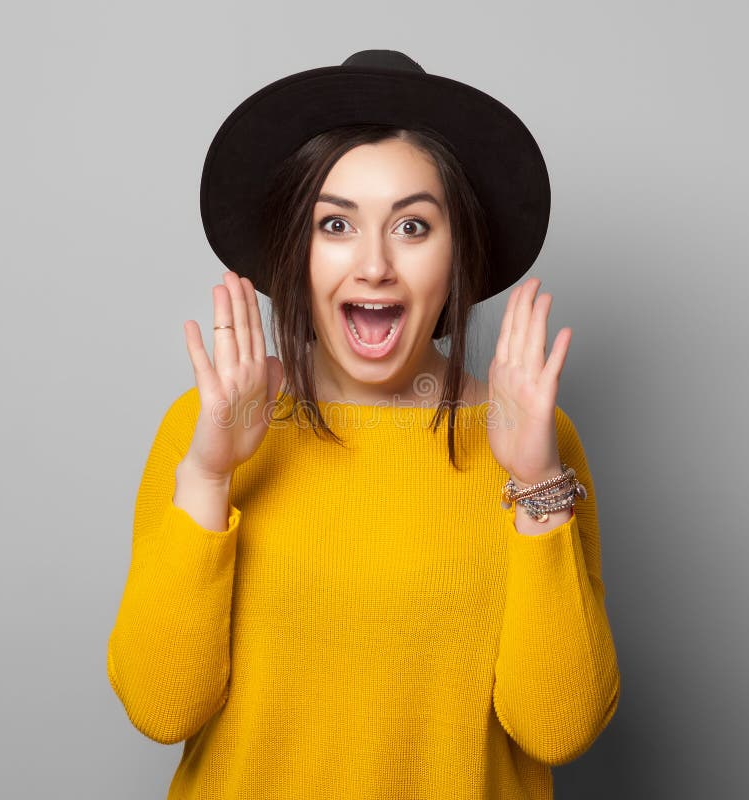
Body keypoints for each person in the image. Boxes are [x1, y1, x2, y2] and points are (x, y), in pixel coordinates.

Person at [106, 50, 620, 799]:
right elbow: (160, 707)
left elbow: (560, 728)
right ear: (295, 250)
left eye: (413, 226)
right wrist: (210, 475)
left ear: (457, 254)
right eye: (336, 224)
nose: (375, 264)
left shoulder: (538, 437)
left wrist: (536, 484)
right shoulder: (205, 426)